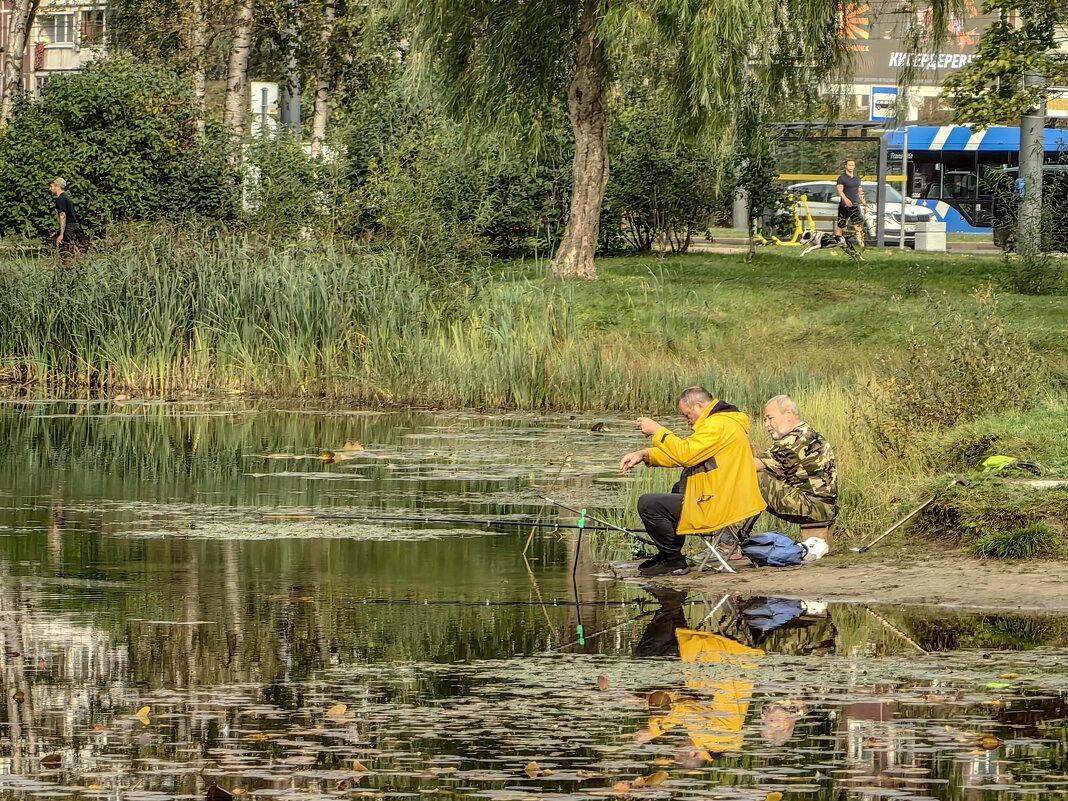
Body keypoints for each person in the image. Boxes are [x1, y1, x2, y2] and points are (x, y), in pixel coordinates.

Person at [619, 386, 766, 577]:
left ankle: (673, 559)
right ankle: (668, 554)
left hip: (720, 504)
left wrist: (658, 432)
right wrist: (645, 454)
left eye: (687, 414)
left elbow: (686, 454)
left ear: (698, 406)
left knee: (648, 504)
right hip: (731, 497)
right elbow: (690, 453)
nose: (686, 419)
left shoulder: (716, 425)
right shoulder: (725, 421)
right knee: (678, 487)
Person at [753, 395, 838, 548]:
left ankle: (728, 540)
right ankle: (734, 537)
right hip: (821, 506)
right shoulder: (807, 433)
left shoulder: (795, 439)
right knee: (760, 476)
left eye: (770, 418)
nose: (766, 424)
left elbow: (750, 466)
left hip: (815, 508)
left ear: (788, 414)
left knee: (754, 478)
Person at [835, 159, 867, 251]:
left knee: (858, 225)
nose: (851, 167)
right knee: (841, 225)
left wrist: (864, 203)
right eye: (849, 165)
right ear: (845, 166)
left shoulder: (857, 179)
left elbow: (860, 191)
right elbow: (839, 190)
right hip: (844, 206)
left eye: (853, 165)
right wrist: (846, 200)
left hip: (855, 206)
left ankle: (861, 246)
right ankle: (836, 243)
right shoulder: (842, 178)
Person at [48, 177, 84, 253]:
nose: (50, 189)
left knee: (66, 252)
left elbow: (62, 215)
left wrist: (61, 234)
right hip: (73, 227)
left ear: (57, 187)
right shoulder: (65, 198)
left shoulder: (61, 199)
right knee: (72, 251)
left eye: (51, 186)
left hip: (69, 228)